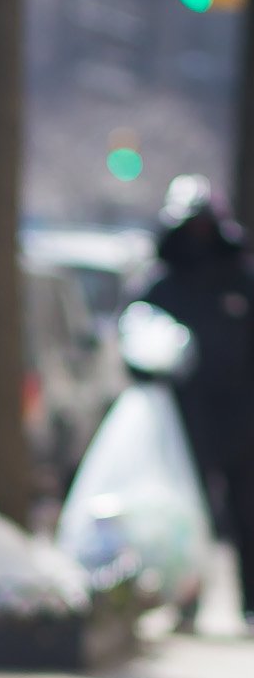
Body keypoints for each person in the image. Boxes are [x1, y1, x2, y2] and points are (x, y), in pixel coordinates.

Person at [131, 176, 254, 626]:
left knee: (247, 512)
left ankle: (250, 602)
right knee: (188, 514)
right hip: (186, 420)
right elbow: (135, 341)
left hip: (243, 417)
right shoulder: (162, 285)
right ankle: (187, 599)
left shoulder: (241, 280)